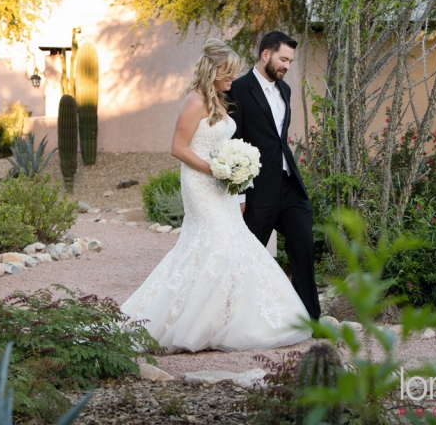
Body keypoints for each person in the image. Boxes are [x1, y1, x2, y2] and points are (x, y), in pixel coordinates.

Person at [120, 38, 311, 353]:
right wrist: (215, 170)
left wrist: (236, 180)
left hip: (223, 186)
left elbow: (225, 145)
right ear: (212, 70)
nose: (232, 79)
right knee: (217, 244)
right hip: (200, 183)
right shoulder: (194, 101)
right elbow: (178, 148)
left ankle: (223, 320)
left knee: (232, 245)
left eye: (234, 73)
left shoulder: (221, 101)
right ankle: (185, 322)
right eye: (227, 73)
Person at [225, 31, 321, 320]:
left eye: (290, 61)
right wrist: (239, 193)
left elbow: (280, 139)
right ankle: (237, 317)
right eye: (283, 59)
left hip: (288, 183)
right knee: (249, 256)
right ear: (265, 54)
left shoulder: (285, 91)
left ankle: (309, 317)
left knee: (303, 245)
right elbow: (233, 141)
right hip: (257, 189)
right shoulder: (238, 89)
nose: (287, 66)